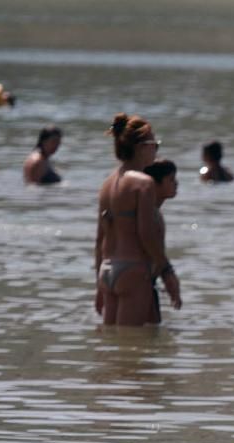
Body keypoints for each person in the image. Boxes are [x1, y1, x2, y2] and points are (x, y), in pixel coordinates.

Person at [95, 113, 180, 326]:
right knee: (131, 353)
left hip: (107, 270)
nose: (156, 149)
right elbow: (146, 234)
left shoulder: (107, 184)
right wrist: (167, 273)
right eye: (155, 144)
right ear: (142, 146)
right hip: (133, 270)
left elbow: (100, 240)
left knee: (113, 347)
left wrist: (98, 286)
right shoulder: (143, 183)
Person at [141, 159, 181, 324]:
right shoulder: (150, 213)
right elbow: (153, 248)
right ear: (154, 184)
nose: (176, 184)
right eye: (171, 179)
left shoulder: (154, 211)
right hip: (142, 281)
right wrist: (168, 276)